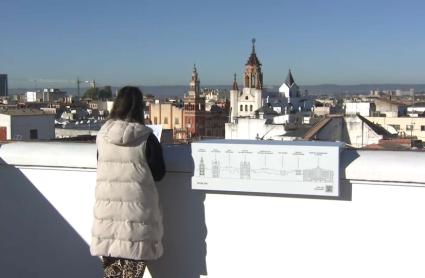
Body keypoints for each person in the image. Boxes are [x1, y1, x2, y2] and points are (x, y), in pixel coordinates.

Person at [90, 86, 166, 278]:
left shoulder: (102, 135)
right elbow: (158, 173)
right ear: (139, 108)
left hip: (107, 221)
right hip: (136, 223)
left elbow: (100, 164)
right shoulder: (146, 137)